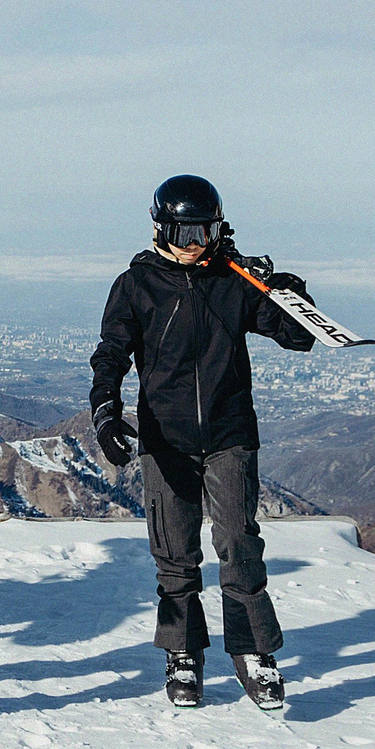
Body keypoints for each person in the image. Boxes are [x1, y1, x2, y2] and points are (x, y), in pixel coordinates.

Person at [88, 174, 313, 711]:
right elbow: (111, 355)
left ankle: (254, 651)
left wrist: (280, 285)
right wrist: (105, 415)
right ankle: (182, 653)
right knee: (174, 555)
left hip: (230, 433)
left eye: (206, 230)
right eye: (186, 230)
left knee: (238, 545)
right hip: (165, 439)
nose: (196, 243)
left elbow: (298, 335)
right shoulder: (136, 285)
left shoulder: (232, 281)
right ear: (162, 226)